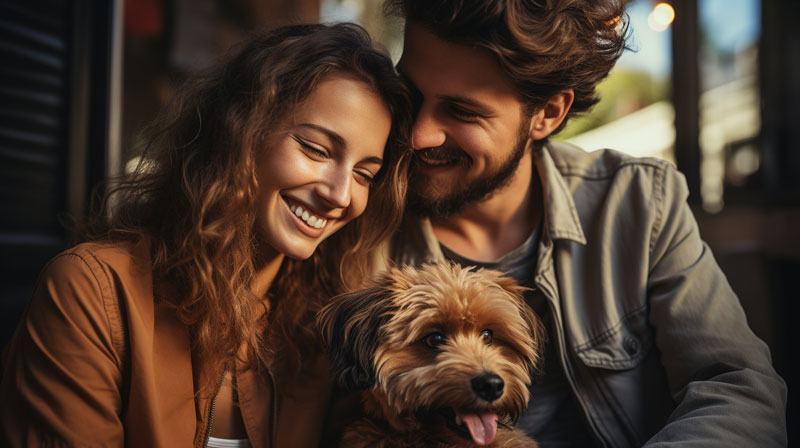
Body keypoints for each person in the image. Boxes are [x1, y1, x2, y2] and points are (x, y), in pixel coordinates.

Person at [376, 0, 788, 446]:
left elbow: (736, 389)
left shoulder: (637, 203)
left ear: (548, 114)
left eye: (462, 111)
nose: (417, 135)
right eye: (411, 95)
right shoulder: (358, 220)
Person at [0, 23, 412, 447]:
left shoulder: (323, 334)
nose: (340, 195)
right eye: (316, 149)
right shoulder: (92, 293)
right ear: (240, 134)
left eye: (365, 174)